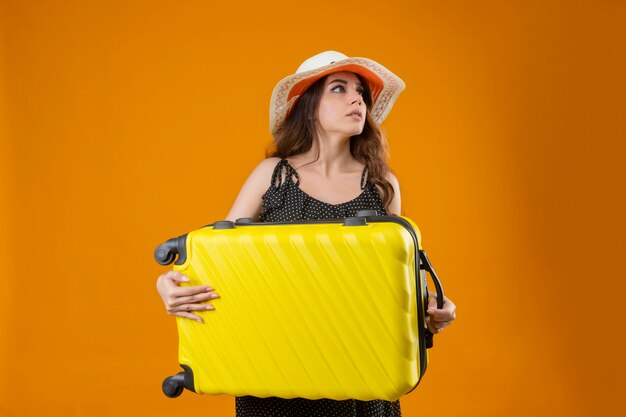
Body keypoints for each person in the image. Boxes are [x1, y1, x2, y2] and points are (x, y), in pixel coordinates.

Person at [156, 51, 457, 417]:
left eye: (360, 92)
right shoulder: (272, 175)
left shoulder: (381, 186)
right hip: (279, 372)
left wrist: (432, 310)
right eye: (339, 88)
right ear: (309, 106)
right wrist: (168, 283)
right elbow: (220, 260)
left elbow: (397, 282)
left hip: (361, 375)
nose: (356, 99)